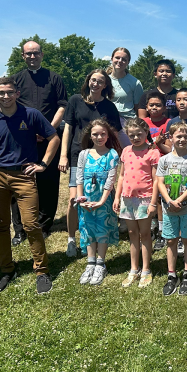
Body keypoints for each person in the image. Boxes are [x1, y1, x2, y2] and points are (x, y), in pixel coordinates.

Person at [0, 76, 60, 295]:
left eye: (9, 92)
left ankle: (42, 271)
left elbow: (54, 138)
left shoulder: (31, 115)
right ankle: (6, 270)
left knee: (31, 224)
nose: (5, 96)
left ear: (17, 94)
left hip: (24, 176)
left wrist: (43, 164)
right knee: (1, 225)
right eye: (1, 93)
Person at [59, 69, 123, 258]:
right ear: (88, 81)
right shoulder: (75, 100)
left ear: (105, 86)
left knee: (98, 199)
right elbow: (68, 129)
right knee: (75, 200)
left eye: (100, 81)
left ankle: (97, 236)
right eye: (93, 80)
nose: (95, 84)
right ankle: (72, 239)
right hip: (79, 155)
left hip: (102, 158)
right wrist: (63, 155)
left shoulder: (109, 107)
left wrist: (118, 157)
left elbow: (115, 133)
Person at [10, 40, 68, 243]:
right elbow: (10, 107)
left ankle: (44, 224)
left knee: (48, 182)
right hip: (22, 139)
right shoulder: (15, 80)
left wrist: (48, 130)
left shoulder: (54, 78)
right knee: (19, 182)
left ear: (42, 55)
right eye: (28, 54)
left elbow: (62, 106)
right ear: (23, 56)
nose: (32, 57)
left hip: (49, 139)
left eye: (36, 53)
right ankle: (19, 229)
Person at [156, 122, 187, 297]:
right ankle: (171, 274)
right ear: (171, 138)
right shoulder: (164, 160)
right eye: (178, 136)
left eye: (185, 136)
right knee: (171, 241)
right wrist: (169, 200)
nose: (182, 139)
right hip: (168, 209)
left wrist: (179, 200)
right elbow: (160, 182)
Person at [112, 118, 160, 288]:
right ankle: (134, 268)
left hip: (145, 199)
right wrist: (117, 197)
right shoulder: (126, 151)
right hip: (127, 198)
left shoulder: (153, 153)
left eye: (139, 134)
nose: (135, 137)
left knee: (145, 234)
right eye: (131, 135)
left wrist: (153, 202)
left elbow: (156, 180)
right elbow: (122, 176)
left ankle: (146, 269)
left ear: (146, 132)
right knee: (132, 233)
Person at [74, 119, 121, 286]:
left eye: (103, 134)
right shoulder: (84, 154)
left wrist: (102, 200)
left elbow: (110, 179)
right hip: (86, 198)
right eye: (95, 134)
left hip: (103, 198)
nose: (99, 137)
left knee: (102, 228)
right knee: (87, 228)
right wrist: (81, 199)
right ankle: (90, 262)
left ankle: (100, 263)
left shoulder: (112, 154)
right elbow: (79, 177)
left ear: (108, 135)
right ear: (90, 136)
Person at [107, 47, 145, 148]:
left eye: (124, 59)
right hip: (107, 122)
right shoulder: (104, 80)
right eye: (117, 58)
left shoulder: (135, 83)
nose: (120, 61)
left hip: (127, 123)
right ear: (112, 59)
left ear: (128, 62)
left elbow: (139, 108)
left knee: (126, 153)